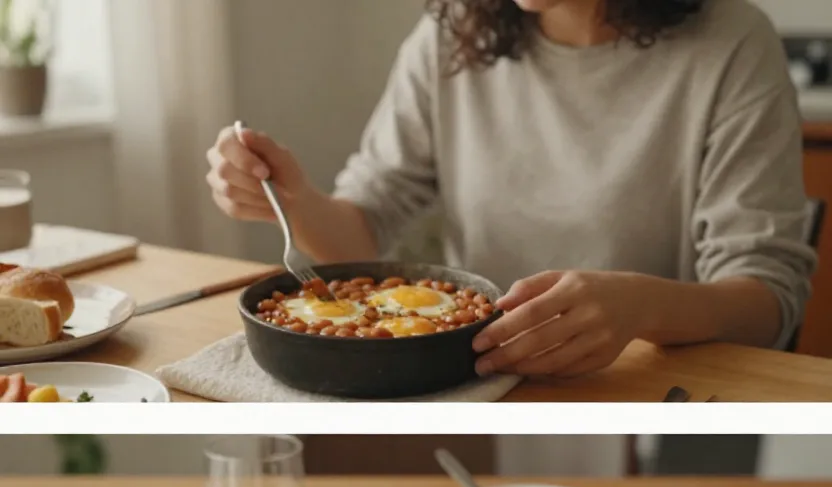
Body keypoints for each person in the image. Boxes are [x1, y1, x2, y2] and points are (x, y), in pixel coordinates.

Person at [207, 0, 815, 378]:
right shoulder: (451, 32)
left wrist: (642, 307)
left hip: (642, 387)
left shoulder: (734, 43)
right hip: (471, 377)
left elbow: (767, 301)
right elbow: (364, 225)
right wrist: (292, 201)